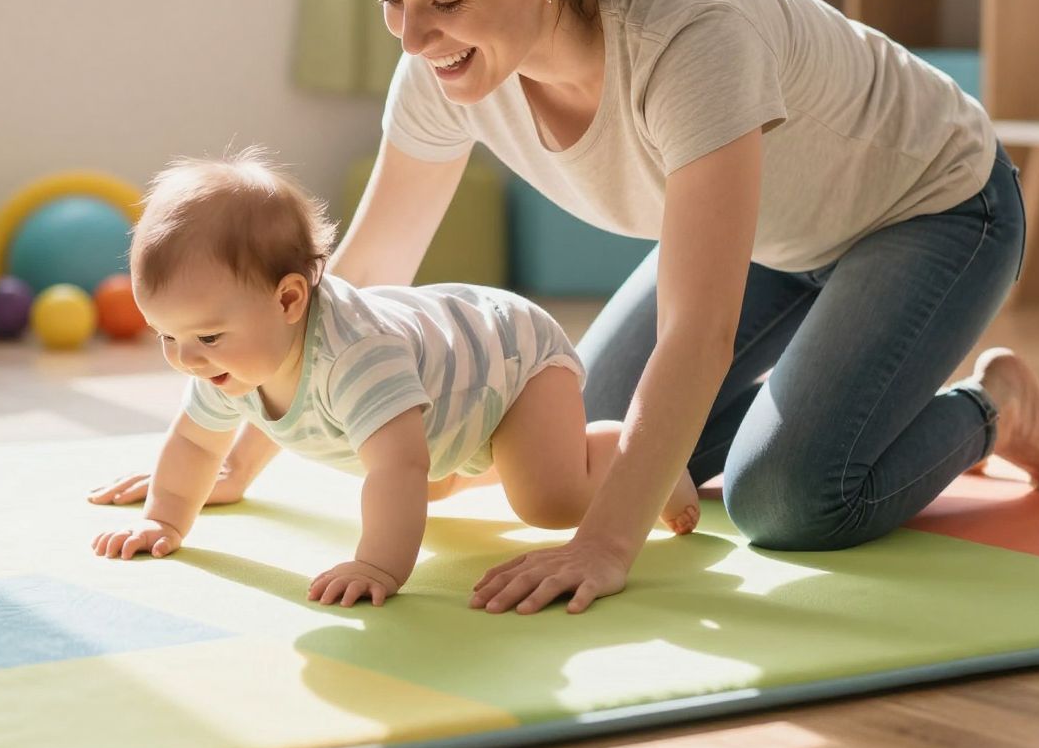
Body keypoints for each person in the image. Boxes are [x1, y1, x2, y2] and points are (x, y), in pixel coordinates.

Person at [97, 0, 1039, 618]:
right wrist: (233, 453)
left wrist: (606, 545)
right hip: (768, 239)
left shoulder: (688, 39)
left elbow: (697, 331)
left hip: (928, 211)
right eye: (391, 0)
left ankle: (991, 407)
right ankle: (825, 395)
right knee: (575, 444)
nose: (414, 37)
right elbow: (356, 284)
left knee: (786, 500)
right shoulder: (443, 71)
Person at [89, 149, 703, 608]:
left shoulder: (356, 358)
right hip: (450, 391)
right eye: (165, 336)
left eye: (204, 337)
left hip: (511, 360)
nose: (185, 359)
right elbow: (196, 443)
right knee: (426, 486)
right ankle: (505, 455)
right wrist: (165, 519)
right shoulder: (225, 355)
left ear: (289, 300)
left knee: (547, 500)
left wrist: (377, 566)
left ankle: (629, 457)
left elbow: (397, 469)